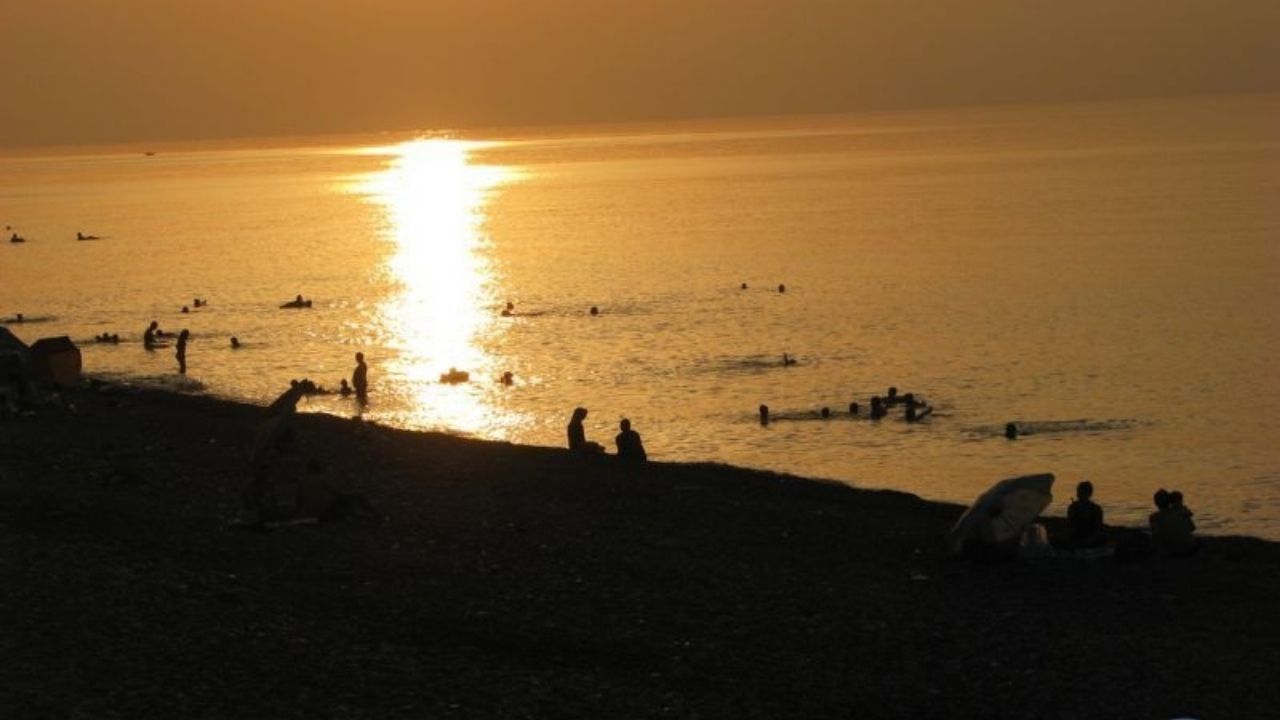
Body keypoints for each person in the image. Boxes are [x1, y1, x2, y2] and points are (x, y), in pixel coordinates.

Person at [1150, 489, 1199, 558]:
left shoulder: (1154, 518)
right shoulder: (1180, 511)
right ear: (1169, 502)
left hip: (1171, 552)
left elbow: (1156, 536)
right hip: (1190, 548)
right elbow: (1192, 528)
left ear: (1155, 503)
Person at [1066, 480, 1106, 548]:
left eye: (1083, 492)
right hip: (1076, 535)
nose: (1079, 494)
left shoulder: (1096, 509)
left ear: (1089, 494)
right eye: (1079, 491)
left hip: (1091, 536)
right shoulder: (1073, 507)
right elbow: (1070, 525)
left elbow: (1098, 527)